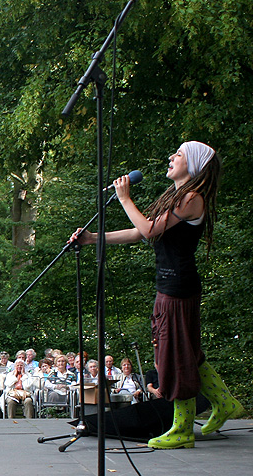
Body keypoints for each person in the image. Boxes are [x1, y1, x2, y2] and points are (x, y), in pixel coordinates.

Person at [72, 141, 242, 448]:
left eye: (178, 154)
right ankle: (225, 403)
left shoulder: (192, 197)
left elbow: (148, 231)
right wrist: (93, 238)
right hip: (171, 285)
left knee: (175, 357)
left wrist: (124, 198)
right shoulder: (176, 196)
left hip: (178, 286)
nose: (171, 157)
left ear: (194, 164)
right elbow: (140, 231)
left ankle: (183, 429)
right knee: (187, 353)